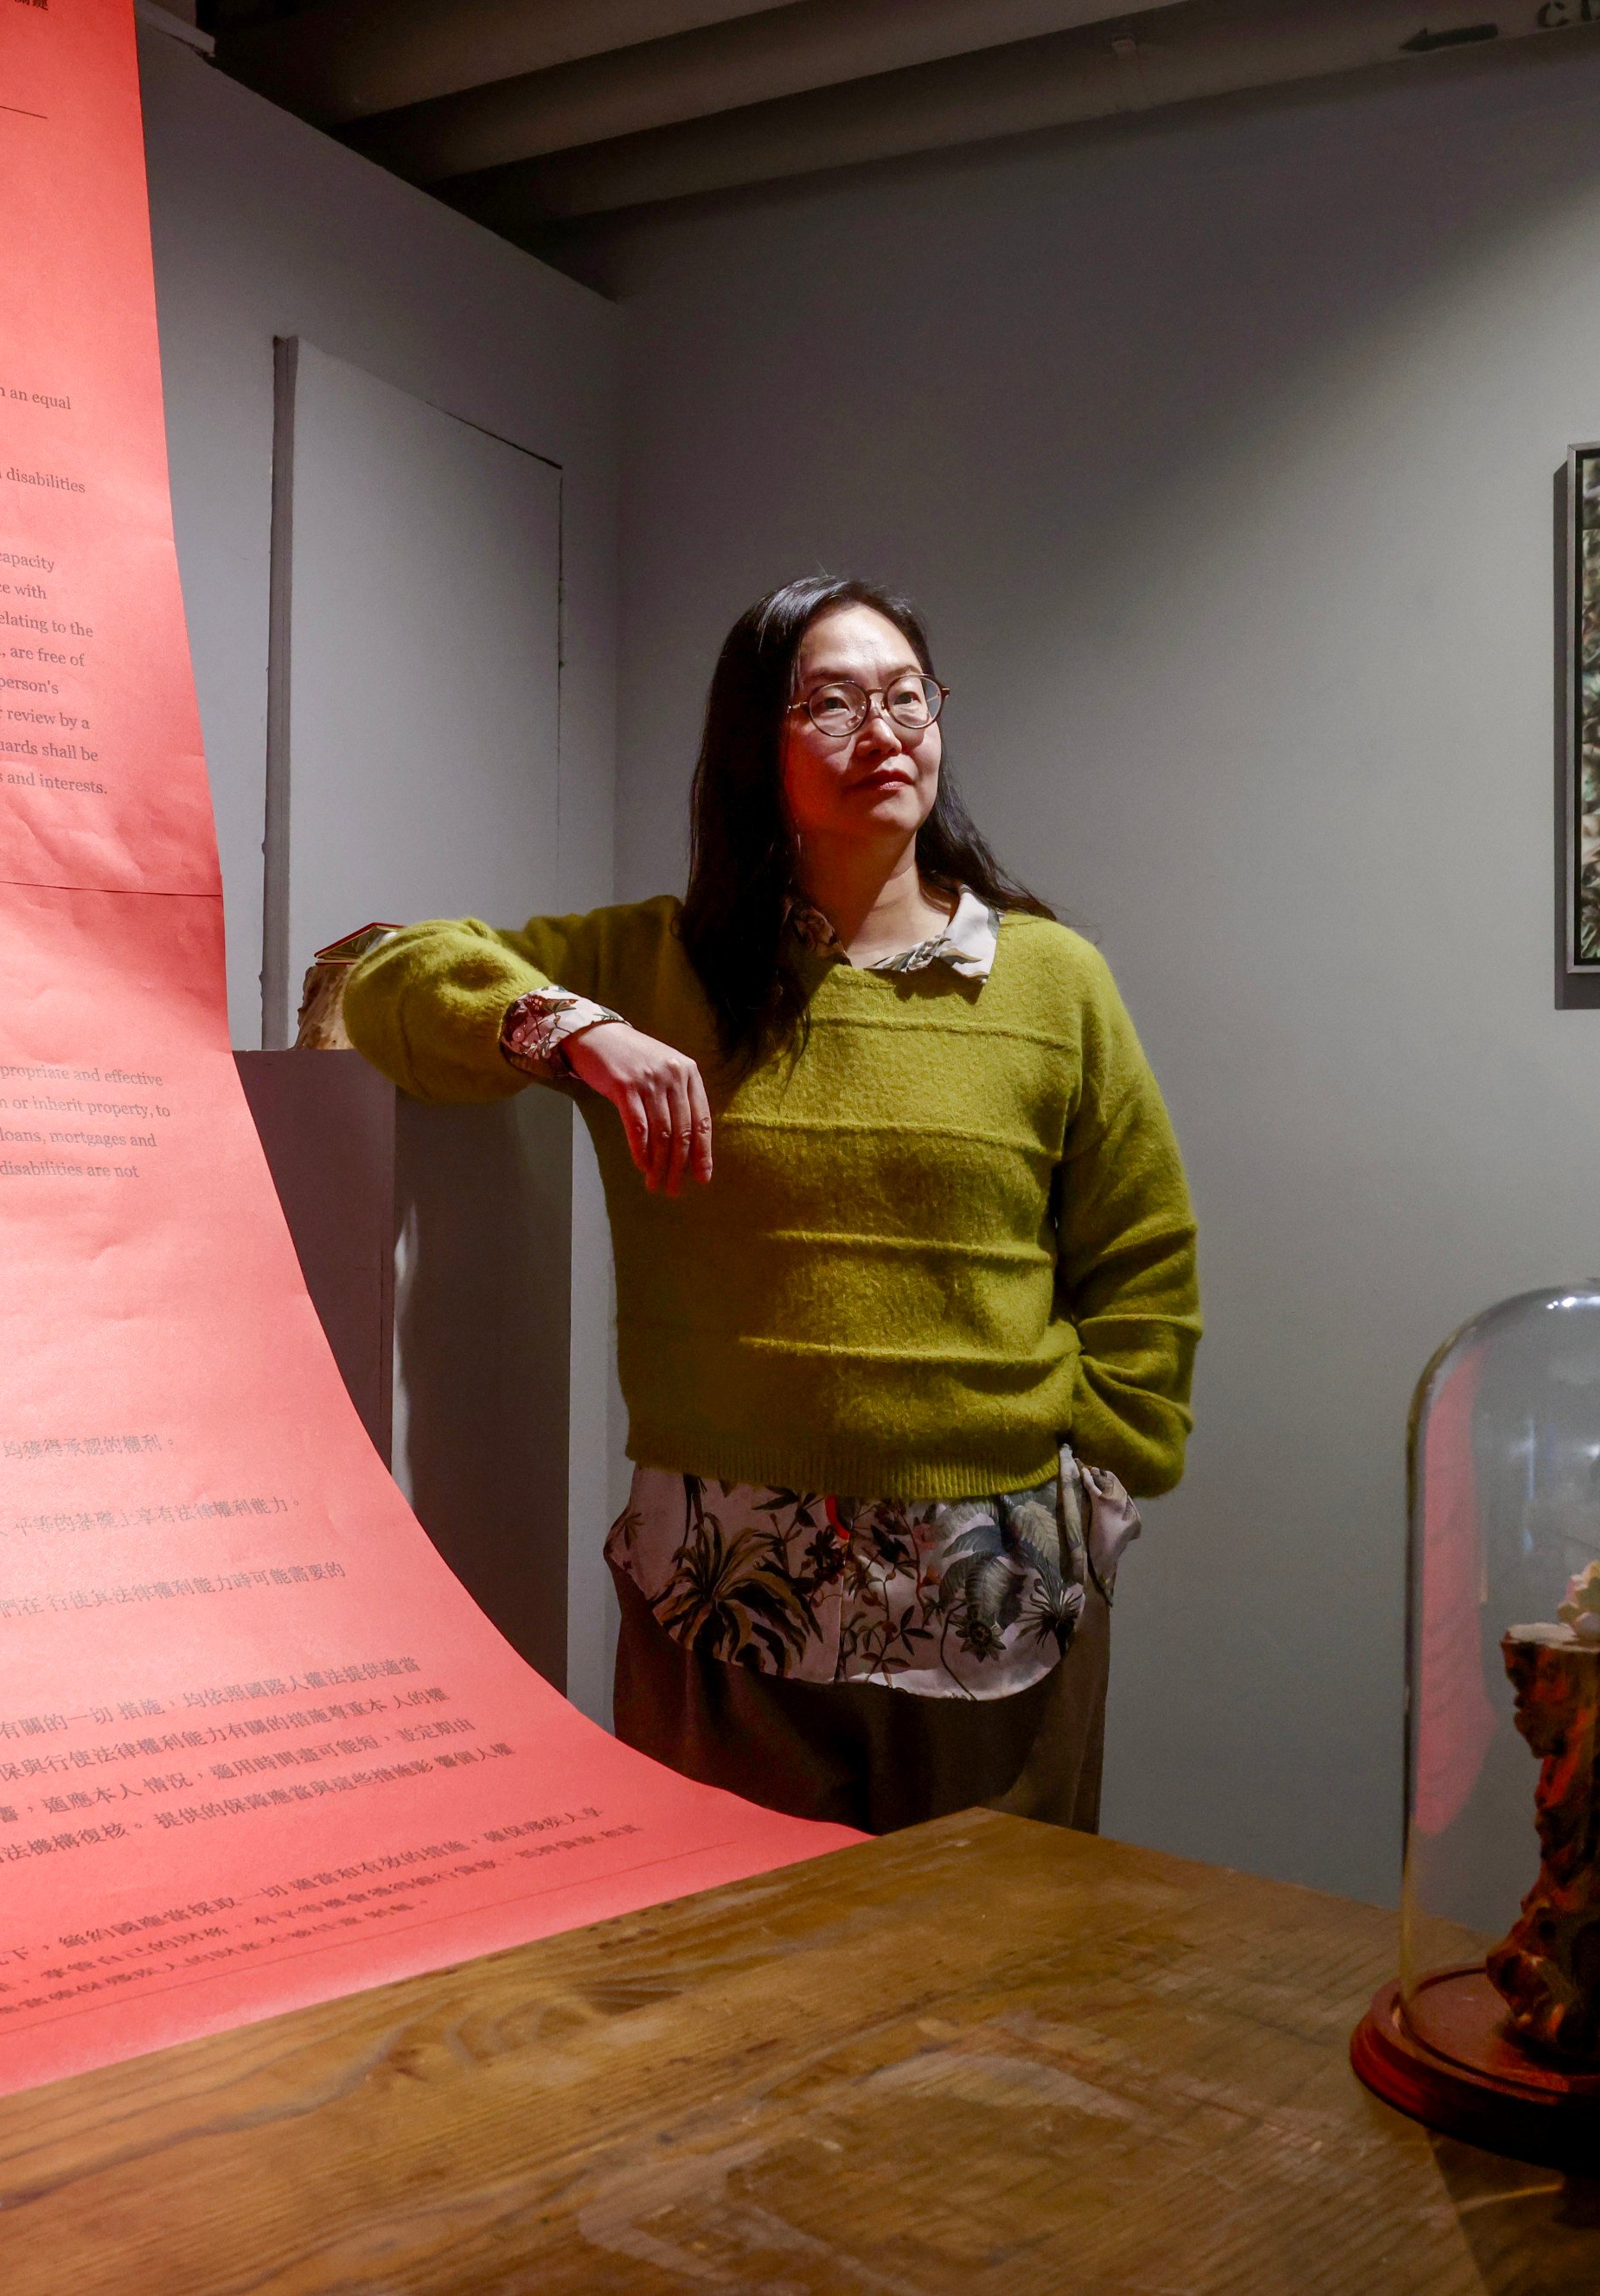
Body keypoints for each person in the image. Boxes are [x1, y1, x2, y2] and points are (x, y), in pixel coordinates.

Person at [341, 574, 1198, 1834]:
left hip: (993, 1597)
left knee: (999, 1991)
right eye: (833, 703)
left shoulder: (1052, 981)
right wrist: (572, 1028)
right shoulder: (657, 965)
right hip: (725, 1594)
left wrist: (1097, 1474)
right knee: (733, 1993)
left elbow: (1143, 1247)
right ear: (755, 745)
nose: (885, 730)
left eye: (909, 697)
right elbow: (388, 981)